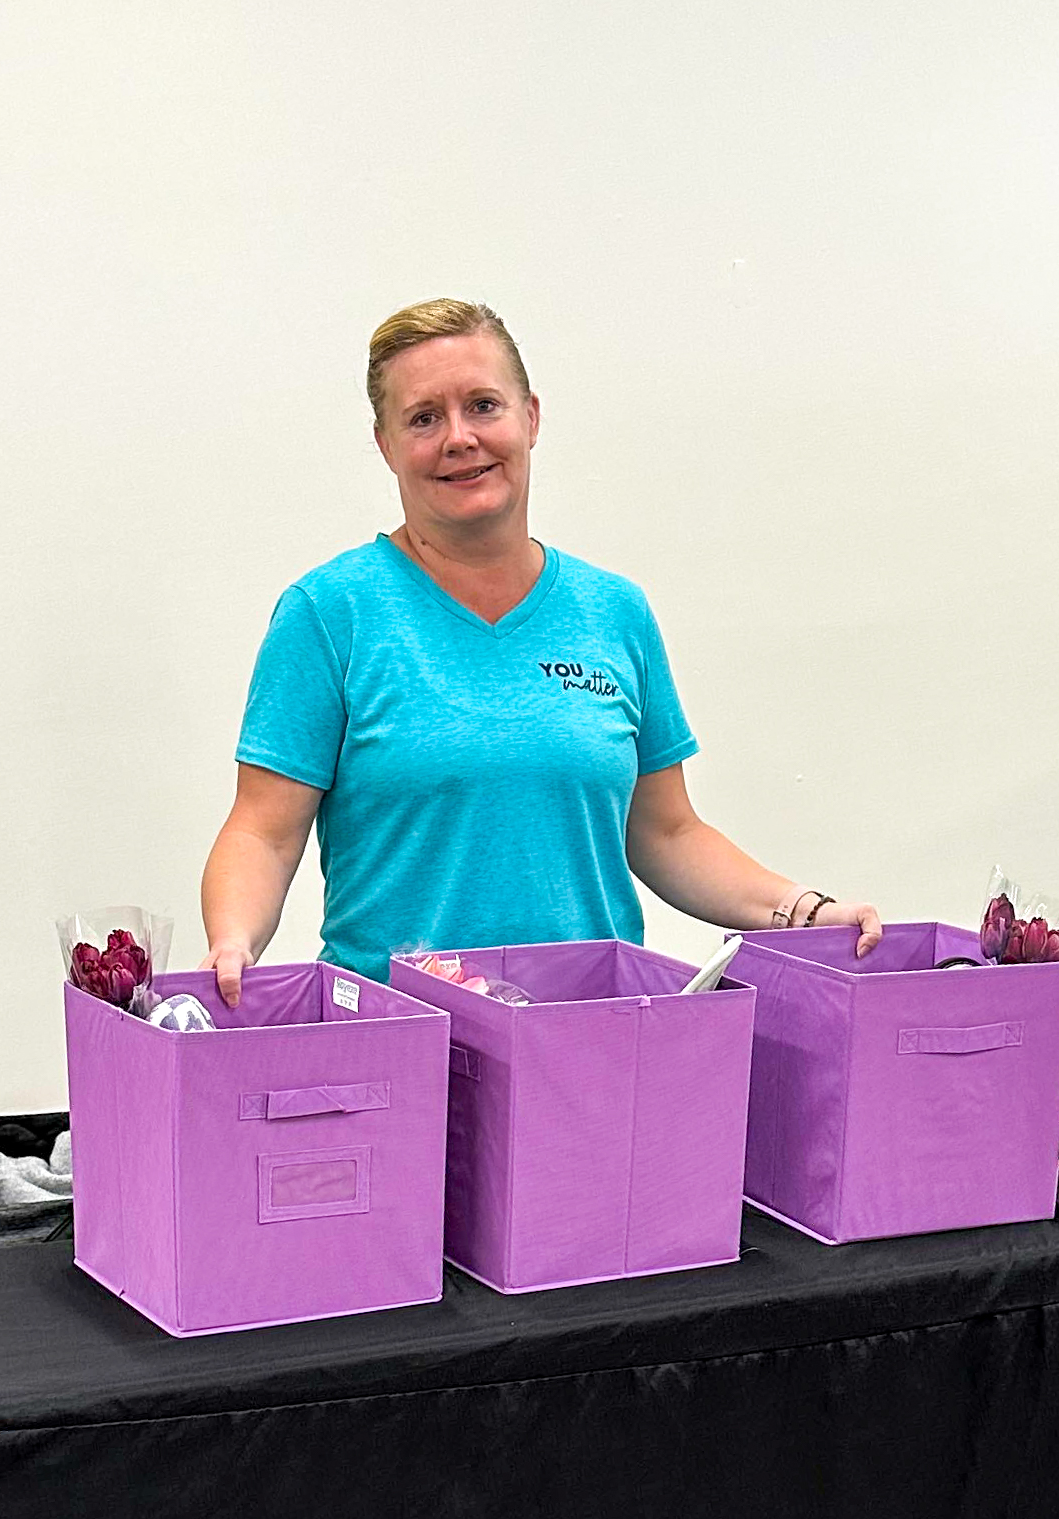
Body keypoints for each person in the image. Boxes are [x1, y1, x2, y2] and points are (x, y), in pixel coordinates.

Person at [201, 299, 880, 1003]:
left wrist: (804, 912)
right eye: (424, 417)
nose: (459, 437)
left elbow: (667, 831)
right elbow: (263, 833)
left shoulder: (614, 612)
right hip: (403, 1045)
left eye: (482, 405)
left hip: (590, 1042)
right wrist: (233, 943)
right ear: (384, 444)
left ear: (529, 416)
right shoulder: (329, 614)